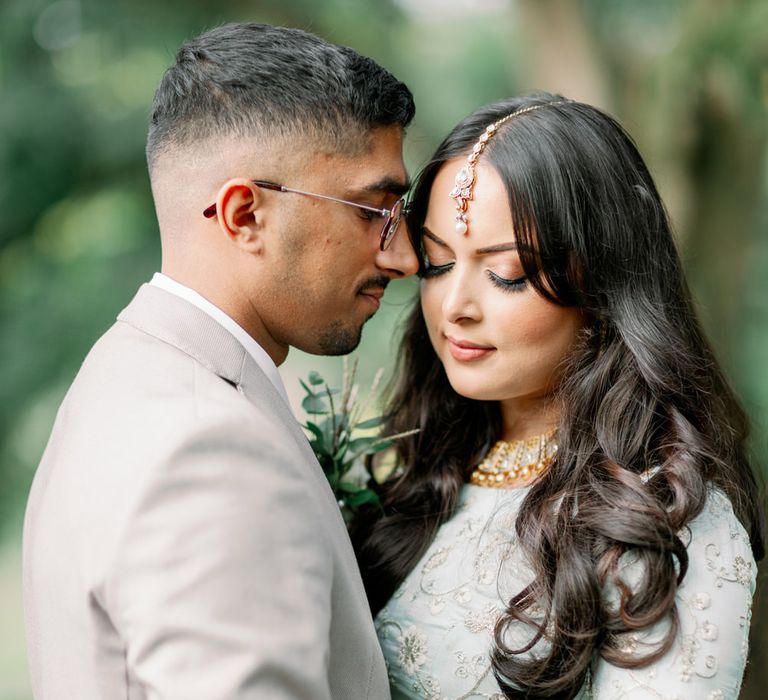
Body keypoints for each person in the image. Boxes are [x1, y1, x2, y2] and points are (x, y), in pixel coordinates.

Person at [23, 22, 418, 699]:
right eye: (371, 210)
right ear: (244, 215)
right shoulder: (209, 449)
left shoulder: (125, 376)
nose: (403, 256)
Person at [353, 94, 765, 699]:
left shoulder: (663, 517)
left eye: (507, 274)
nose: (455, 307)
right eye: (438, 264)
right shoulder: (419, 473)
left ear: (602, 284)